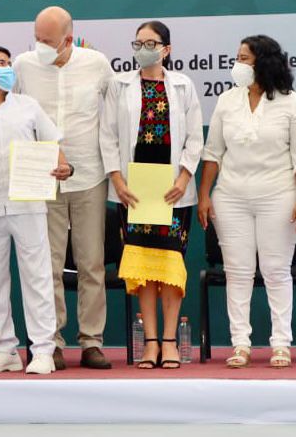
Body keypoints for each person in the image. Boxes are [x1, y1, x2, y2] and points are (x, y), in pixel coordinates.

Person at [0, 45, 72, 375]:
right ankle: (4, 349)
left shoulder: (28, 106)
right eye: (1, 64)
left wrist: (65, 169)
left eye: (8, 63)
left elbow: (54, 148)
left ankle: (43, 350)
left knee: (37, 278)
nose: (8, 68)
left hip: (29, 203)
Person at [198, 34, 296, 369]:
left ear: (264, 62)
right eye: (238, 58)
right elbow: (213, 152)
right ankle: (240, 344)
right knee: (238, 272)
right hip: (230, 196)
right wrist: (205, 194)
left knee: (276, 271)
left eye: (245, 59)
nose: (238, 65)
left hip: (278, 195)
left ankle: (281, 343)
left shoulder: (291, 102)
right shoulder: (226, 100)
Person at [13, 6, 114, 370]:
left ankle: (91, 342)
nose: (39, 46)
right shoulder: (23, 65)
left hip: (89, 174)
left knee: (91, 262)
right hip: (42, 175)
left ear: (68, 40)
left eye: (48, 41)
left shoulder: (97, 64)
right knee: (48, 263)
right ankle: (50, 341)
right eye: (36, 38)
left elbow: (114, 114)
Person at [99, 21, 203, 369]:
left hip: (173, 191)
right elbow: (108, 136)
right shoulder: (119, 84)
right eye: (138, 42)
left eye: (150, 43)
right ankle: (150, 342)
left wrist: (185, 176)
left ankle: (171, 341)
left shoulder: (184, 85)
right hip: (134, 191)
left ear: (166, 49)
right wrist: (117, 180)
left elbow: (195, 138)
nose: (143, 48)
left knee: (170, 266)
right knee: (143, 266)